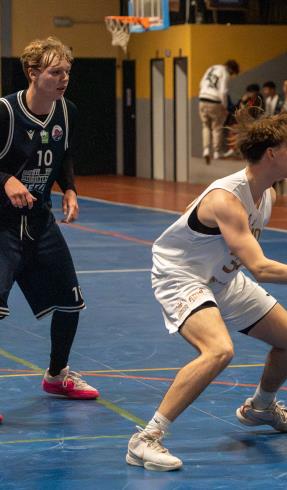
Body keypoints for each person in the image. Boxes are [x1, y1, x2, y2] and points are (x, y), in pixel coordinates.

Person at [126, 108, 287, 471]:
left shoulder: (266, 194)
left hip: (222, 277)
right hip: (181, 277)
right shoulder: (228, 198)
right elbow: (260, 267)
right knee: (218, 350)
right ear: (271, 154)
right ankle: (146, 439)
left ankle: (260, 407)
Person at [0, 37, 101, 427]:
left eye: (67, 72)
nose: (63, 79)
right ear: (33, 73)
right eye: (55, 72)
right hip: (2, 224)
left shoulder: (67, 111)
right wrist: (6, 179)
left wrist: (70, 188)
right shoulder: (6, 112)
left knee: (71, 301)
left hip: (39, 220)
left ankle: (57, 375)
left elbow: (64, 155)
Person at [199, 59, 239, 163]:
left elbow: (201, 83)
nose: (231, 76)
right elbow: (223, 91)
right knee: (217, 126)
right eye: (233, 74)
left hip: (202, 98)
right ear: (231, 69)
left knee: (205, 125)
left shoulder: (211, 68)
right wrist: (224, 107)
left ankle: (206, 150)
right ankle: (216, 152)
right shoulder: (224, 72)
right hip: (215, 100)